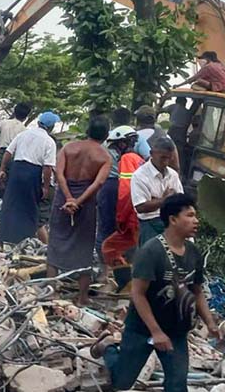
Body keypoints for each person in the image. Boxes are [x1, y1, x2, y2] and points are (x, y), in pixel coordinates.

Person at [91, 193, 221, 392]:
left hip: (175, 331)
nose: (196, 220)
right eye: (190, 215)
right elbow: (137, 294)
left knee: (177, 385)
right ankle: (108, 348)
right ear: (173, 220)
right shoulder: (151, 250)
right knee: (123, 381)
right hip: (142, 327)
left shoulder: (194, 254)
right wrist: (155, 332)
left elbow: (197, 292)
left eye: (195, 214)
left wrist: (210, 323)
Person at [47, 115, 112, 306]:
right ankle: (82, 297)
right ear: (106, 135)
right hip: (86, 204)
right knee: (84, 247)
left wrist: (68, 198)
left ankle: (51, 291)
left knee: (56, 242)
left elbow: (59, 174)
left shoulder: (69, 148)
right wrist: (79, 201)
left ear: (87, 130)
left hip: (62, 200)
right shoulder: (105, 157)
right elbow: (98, 183)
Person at [0, 112, 59, 245]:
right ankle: (24, 240)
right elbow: (47, 167)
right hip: (33, 174)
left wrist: (2, 169)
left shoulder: (23, 134)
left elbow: (8, 152)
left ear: (38, 123)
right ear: (51, 126)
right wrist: (45, 187)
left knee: (10, 204)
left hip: (16, 170)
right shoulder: (49, 141)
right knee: (29, 208)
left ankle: (3, 239)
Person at [131, 136, 185, 245]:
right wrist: (165, 200)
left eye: (169, 158)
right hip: (149, 225)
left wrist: (156, 201)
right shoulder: (139, 176)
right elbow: (140, 207)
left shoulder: (172, 175)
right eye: (162, 158)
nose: (166, 162)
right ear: (152, 153)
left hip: (171, 223)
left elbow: (181, 201)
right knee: (151, 259)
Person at [97, 126, 140, 256]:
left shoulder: (126, 159)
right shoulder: (136, 158)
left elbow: (126, 189)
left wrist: (122, 215)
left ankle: (105, 269)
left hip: (117, 194)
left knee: (106, 229)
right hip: (129, 201)